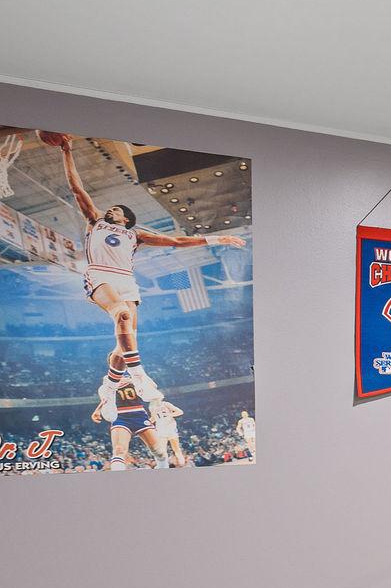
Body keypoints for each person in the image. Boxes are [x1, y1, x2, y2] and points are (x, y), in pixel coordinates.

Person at [40, 131, 244, 401]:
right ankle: (139, 376)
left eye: (115, 210)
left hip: (126, 279)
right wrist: (66, 151)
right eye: (110, 208)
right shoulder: (95, 221)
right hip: (100, 273)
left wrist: (217, 238)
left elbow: (176, 241)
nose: (110, 210)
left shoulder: (136, 235)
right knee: (122, 314)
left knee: (125, 342)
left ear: (126, 219)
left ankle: (109, 386)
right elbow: (77, 189)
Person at [92, 375, 160, 471]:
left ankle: (163, 464)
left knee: (158, 450)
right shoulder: (106, 383)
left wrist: (133, 380)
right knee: (119, 450)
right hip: (120, 416)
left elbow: (152, 389)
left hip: (139, 414)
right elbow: (105, 399)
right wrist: (98, 410)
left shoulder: (134, 377)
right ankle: (119, 475)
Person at [151, 398, 185, 468]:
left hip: (170, 427)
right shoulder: (152, 407)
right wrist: (146, 423)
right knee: (162, 450)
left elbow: (180, 412)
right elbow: (154, 418)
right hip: (160, 429)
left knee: (176, 449)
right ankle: (164, 466)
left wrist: (169, 414)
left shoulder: (166, 404)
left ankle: (182, 464)